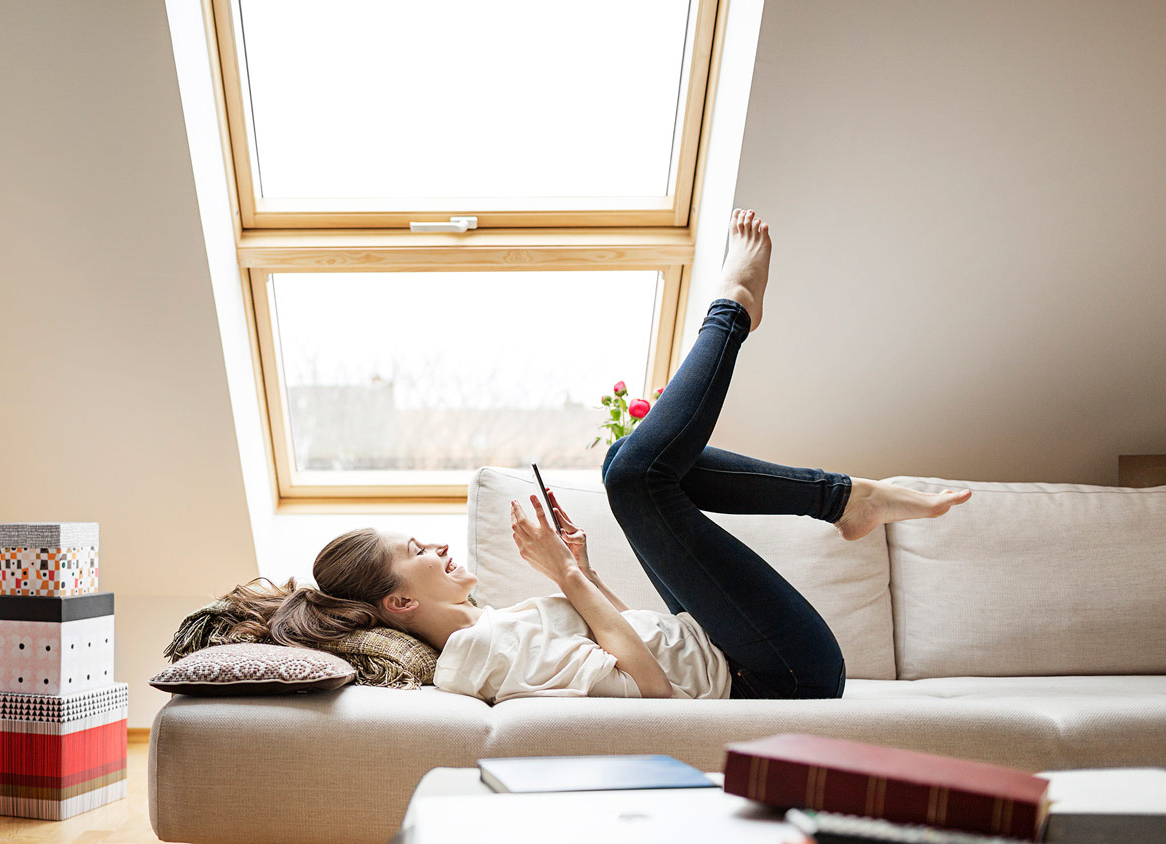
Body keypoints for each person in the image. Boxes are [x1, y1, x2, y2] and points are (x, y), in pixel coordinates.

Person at [219, 209, 971, 704]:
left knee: (644, 472)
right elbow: (651, 693)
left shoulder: (483, 621)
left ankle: (846, 501)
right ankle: (733, 308)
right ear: (401, 604)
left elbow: (623, 643)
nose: (437, 543)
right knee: (635, 474)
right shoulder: (471, 658)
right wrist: (568, 575)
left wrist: (584, 569)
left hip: (723, 645)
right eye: (415, 549)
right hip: (776, 674)